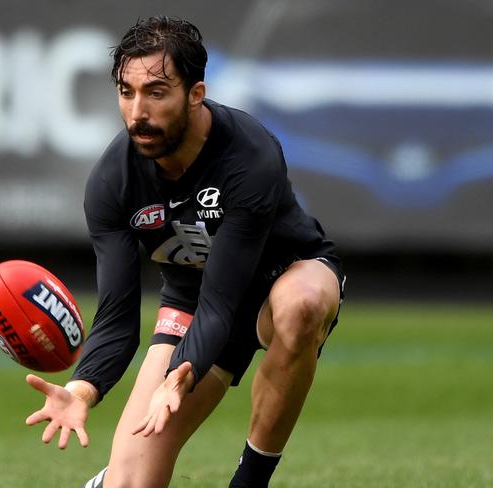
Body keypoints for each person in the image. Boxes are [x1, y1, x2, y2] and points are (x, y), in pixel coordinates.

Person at [24, 16, 345, 488]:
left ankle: (250, 482)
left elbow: (224, 300)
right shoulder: (112, 182)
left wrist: (180, 373)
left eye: (156, 92)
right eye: (126, 92)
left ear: (196, 93)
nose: (137, 113)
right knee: (131, 483)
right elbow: (116, 318)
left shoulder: (249, 155)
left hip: (279, 278)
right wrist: (83, 388)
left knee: (302, 306)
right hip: (192, 305)